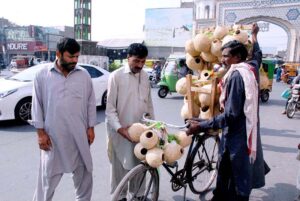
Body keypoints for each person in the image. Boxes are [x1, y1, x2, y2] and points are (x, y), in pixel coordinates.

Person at [186, 38, 267, 201]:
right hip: (243, 134)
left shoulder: (237, 76)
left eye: (225, 56)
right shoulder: (250, 69)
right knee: (226, 174)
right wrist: (255, 37)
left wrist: (201, 126)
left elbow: (231, 115)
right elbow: (258, 57)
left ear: (237, 57)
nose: (222, 59)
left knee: (234, 181)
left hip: (236, 138)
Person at [31, 37, 97, 201]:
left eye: (77, 57)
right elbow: (36, 105)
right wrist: (40, 133)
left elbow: (90, 102)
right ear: (58, 53)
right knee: (46, 182)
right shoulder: (42, 75)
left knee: (85, 177)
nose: (75, 60)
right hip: (53, 137)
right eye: (70, 56)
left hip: (79, 137)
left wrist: (91, 128)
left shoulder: (83, 75)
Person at [105, 43, 154, 201]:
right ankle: (119, 197)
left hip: (141, 133)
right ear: (128, 58)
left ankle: (139, 196)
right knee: (119, 170)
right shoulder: (116, 76)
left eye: (143, 62)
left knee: (141, 166)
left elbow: (149, 104)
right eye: (137, 61)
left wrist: (153, 127)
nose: (140, 65)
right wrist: (121, 130)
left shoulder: (145, 76)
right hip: (120, 133)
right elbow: (110, 110)